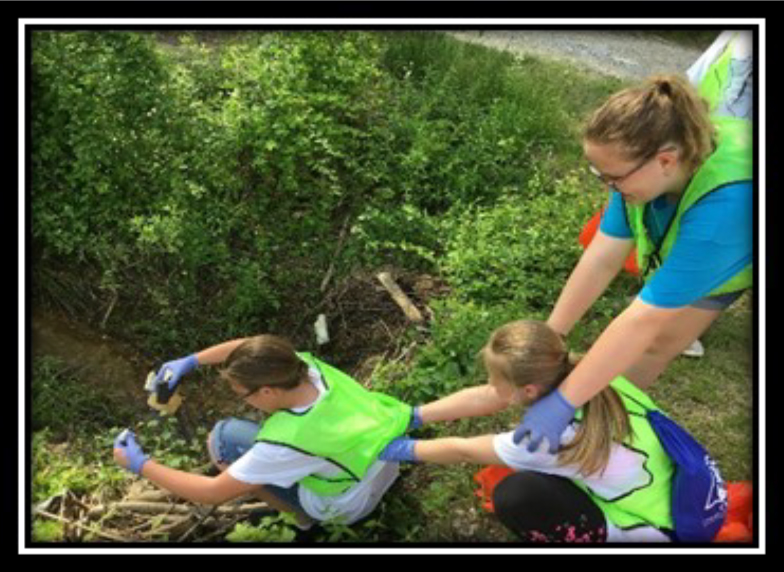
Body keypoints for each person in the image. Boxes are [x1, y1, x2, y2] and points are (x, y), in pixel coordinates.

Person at [513, 67, 752, 453]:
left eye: (613, 179)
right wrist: (549, 339)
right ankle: (590, 415)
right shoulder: (635, 171)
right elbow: (602, 257)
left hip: (733, 235)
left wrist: (562, 402)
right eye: (599, 175)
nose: (608, 187)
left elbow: (647, 319)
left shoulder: (729, 207)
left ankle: (602, 421)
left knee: (658, 341)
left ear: (666, 160)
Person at [380, 320, 682, 543]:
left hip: (653, 531)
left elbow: (464, 450)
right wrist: (416, 416)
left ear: (528, 389)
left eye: (492, 376)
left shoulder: (541, 442)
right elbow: (489, 395)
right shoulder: (596, 375)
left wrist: (400, 449)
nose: (488, 382)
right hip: (680, 493)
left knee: (515, 495)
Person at [113, 334, 413, 530]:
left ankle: (304, 521)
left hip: (344, 506)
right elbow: (253, 348)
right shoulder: (306, 367)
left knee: (222, 440)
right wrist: (191, 361)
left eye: (243, 394)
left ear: (267, 391)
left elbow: (211, 492)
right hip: (381, 468)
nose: (242, 398)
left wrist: (141, 465)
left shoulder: (286, 441)